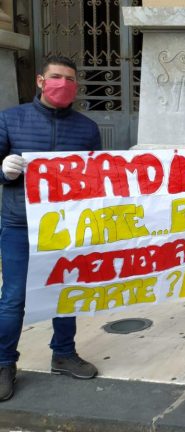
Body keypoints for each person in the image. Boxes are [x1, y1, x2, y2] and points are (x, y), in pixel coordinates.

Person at [0, 55, 102, 401]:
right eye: (57, 77)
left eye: (70, 79)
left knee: (65, 291)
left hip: (66, 227)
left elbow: (97, 180)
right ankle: (3, 363)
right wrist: (5, 171)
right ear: (41, 81)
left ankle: (63, 353)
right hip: (19, 224)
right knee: (14, 298)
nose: (64, 84)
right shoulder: (11, 120)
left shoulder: (87, 128)